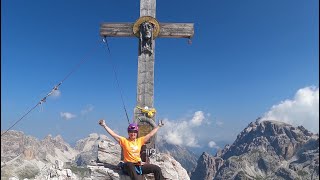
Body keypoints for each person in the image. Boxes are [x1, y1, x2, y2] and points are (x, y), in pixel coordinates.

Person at [99, 119, 164, 180]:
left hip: (138, 165)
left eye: (134, 132)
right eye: (131, 132)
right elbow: (113, 134)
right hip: (127, 166)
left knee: (156, 169)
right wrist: (104, 125)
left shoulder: (140, 140)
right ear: (128, 132)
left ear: (137, 132)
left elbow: (150, 134)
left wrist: (159, 126)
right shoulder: (124, 141)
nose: (133, 133)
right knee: (129, 164)